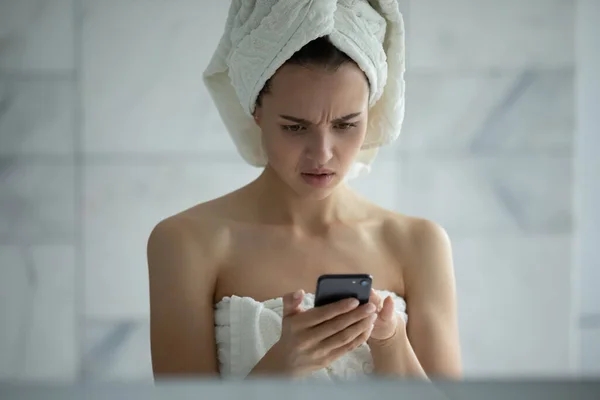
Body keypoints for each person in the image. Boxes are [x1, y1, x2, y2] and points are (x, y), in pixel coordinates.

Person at [147, 0, 461, 380]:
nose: (323, 154)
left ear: (370, 111)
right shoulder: (186, 241)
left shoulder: (418, 243)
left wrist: (390, 341)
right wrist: (280, 368)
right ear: (256, 112)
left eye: (346, 125)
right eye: (295, 127)